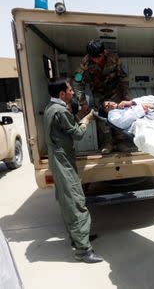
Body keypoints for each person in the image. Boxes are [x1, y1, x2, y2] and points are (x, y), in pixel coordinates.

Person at [43, 78, 103, 263]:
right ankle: (83, 251)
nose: (72, 93)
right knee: (76, 203)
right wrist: (87, 119)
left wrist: (78, 117)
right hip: (63, 163)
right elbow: (77, 134)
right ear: (62, 94)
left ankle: (79, 239)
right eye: (69, 90)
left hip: (58, 160)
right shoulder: (61, 111)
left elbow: (66, 128)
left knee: (67, 201)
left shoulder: (50, 108)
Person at [73, 39, 130, 154]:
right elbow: (77, 81)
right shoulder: (86, 62)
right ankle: (107, 143)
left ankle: (120, 142)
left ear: (104, 52)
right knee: (102, 117)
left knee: (119, 114)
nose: (96, 60)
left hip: (115, 91)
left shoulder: (114, 59)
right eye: (93, 57)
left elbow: (123, 77)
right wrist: (82, 101)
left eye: (98, 56)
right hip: (98, 93)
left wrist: (126, 96)